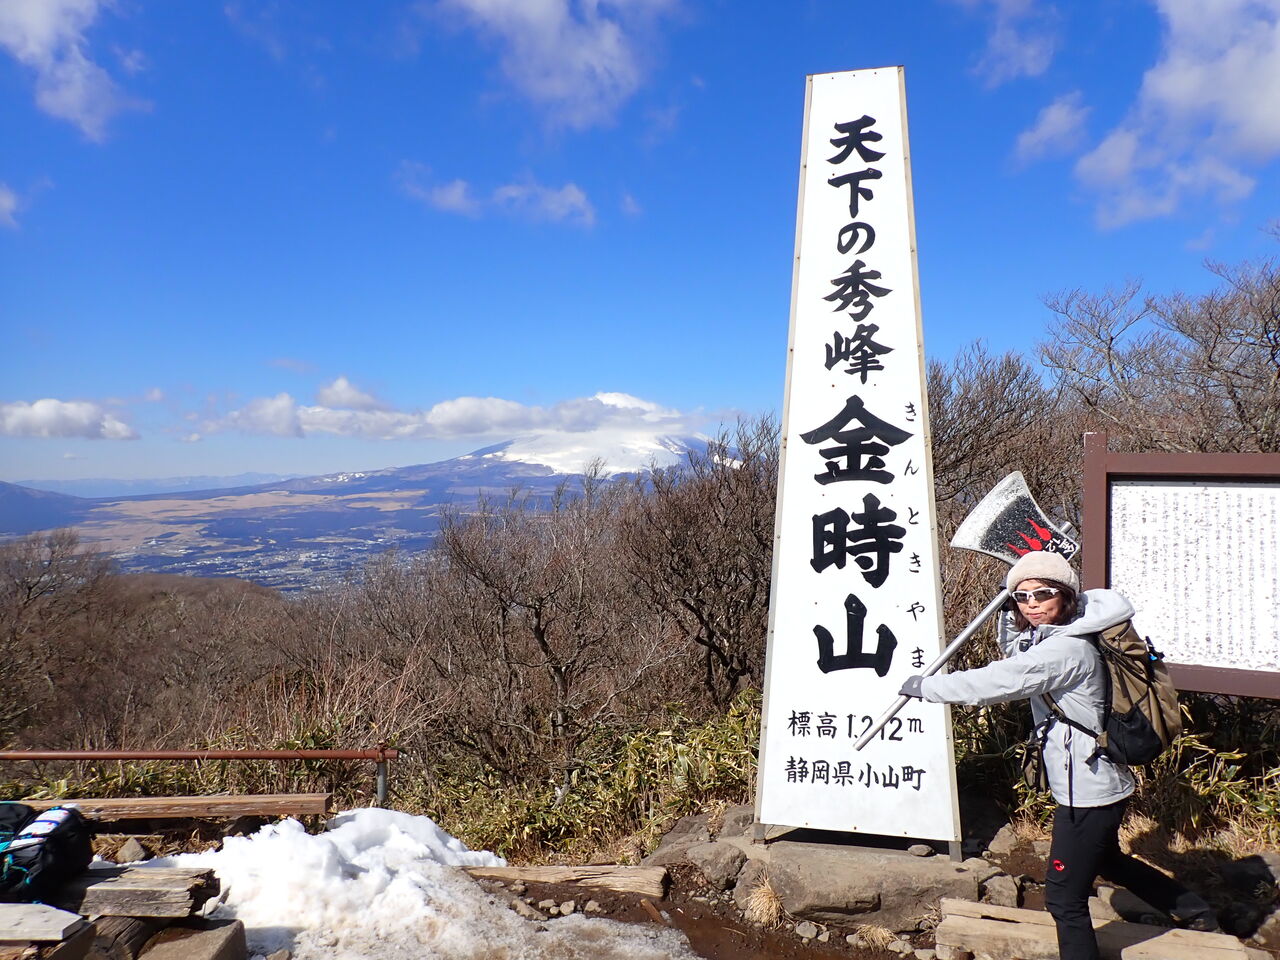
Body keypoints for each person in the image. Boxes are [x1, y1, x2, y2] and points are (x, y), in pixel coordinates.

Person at [897, 550, 1218, 960]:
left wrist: (928, 688)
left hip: (1089, 789)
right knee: (1110, 861)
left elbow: (1000, 679)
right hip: (1095, 778)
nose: (1031, 604)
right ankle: (1194, 910)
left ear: (1066, 595)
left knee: (1064, 899)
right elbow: (1017, 650)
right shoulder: (1067, 632)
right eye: (1021, 597)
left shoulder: (1065, 651)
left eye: (1043, 594)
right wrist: (1003, 604)